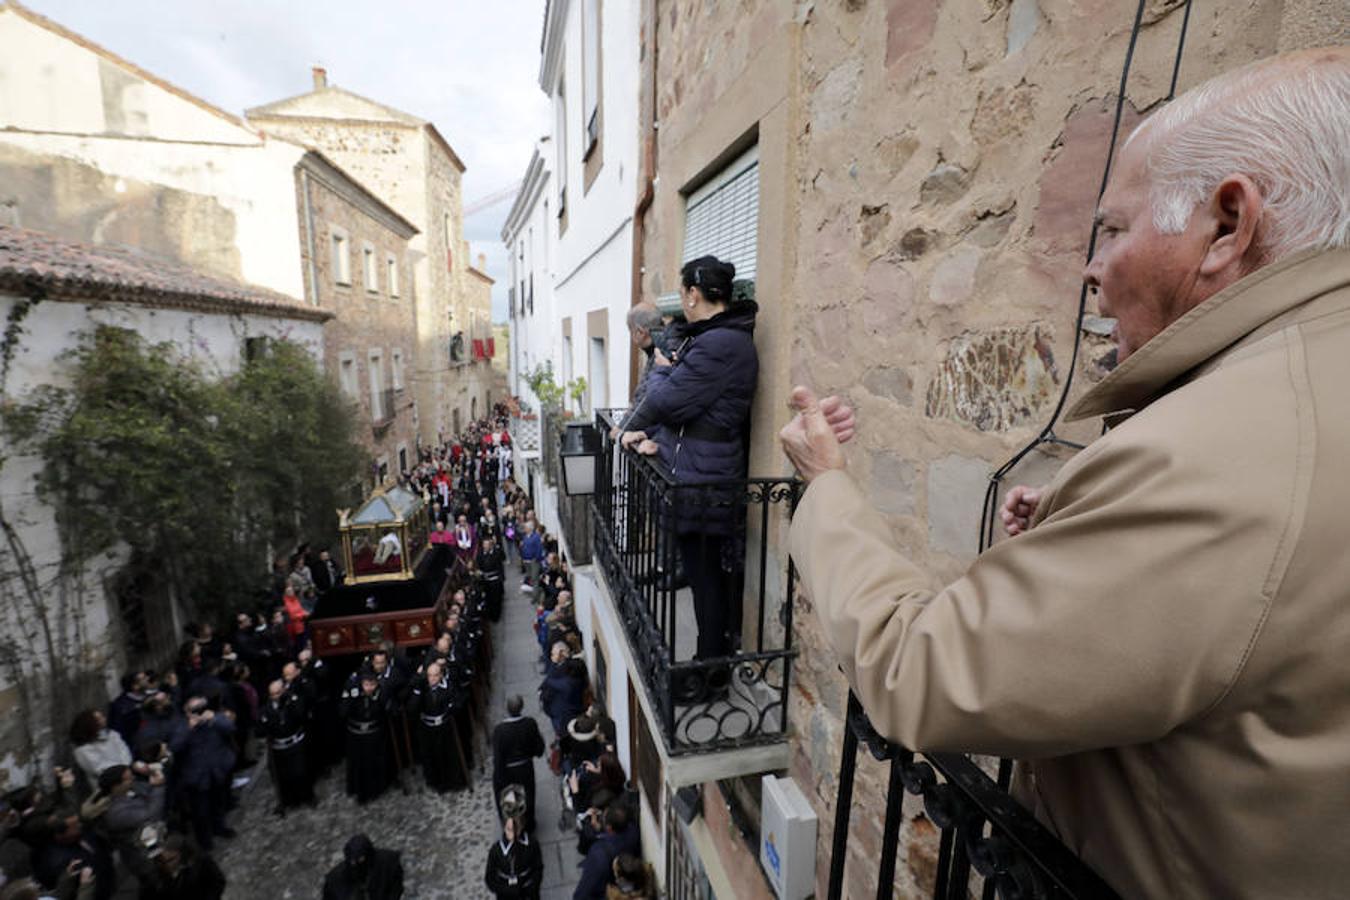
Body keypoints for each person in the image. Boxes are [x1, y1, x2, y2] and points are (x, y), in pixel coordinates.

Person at [777, 48, 1350, 900]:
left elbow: (916, 670)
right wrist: (1087, 527)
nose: (1090, 266)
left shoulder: (1213, 456)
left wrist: (825, 480)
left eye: (1114, 230)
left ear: (1230, 225)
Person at [619, 255, 757, 700]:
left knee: (706, 581)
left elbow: (670, 400)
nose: (682, 303)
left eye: (682, 295)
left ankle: (711, 672)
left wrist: (661, 371)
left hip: (705, 481)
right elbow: (686, 409)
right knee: (703, 579)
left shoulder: (720, 344)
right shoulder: (716, 339)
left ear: (693, 295)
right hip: (699, 471)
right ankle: (709, 663)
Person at [407, 661, 467, 793]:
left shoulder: (448, 687)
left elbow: (457, 701)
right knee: (432, 755)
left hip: (445, 725)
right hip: (428, 728)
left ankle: (453, 781)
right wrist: (417, 691)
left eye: (435, 675)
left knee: (448, 754)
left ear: (440, 675)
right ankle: (436, 782)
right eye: (429, 676)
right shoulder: (422, 689)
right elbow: (412, 709)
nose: (432, 679)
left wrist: (452, 708)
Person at [256, 679, 314, 815]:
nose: (275, 696)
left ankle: (308, 797)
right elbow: (259, 730)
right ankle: (290, 800)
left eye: (277, 693)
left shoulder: (292, 701)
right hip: (279, 748)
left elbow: (301, 714)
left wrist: (289, 701)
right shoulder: (266, 709)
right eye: (272, 694)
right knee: (284, 776)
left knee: (301, 772)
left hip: (295, 743)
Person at [490, 696, 545, 834]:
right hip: (525, 768)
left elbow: (498, 757)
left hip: (507, 771)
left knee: (508, 798)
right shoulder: (529, 723)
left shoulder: (500, 730)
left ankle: (511, 825)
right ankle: (528, 824)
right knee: (528, 795)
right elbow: (538, 748)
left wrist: (499, 776)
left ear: (507, 709)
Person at [341, 671, 392, 804]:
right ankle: (359, 791)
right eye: (366, 684)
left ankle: (375, 789)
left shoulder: (380, 694)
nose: (369, 688)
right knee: (358, 764)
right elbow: (342, 712)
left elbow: (386, 711)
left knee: (374, 763)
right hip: (356, 736)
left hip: (374, 735)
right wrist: (351, 698)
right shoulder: (353, 694)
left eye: (372, 684)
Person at [573, 806, 637, 900]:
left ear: (609, 828)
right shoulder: (633, 831)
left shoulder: (600, 853)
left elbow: (582, 893)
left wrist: (590, 829)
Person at [138, 834, 226, 900]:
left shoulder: (201, 863)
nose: (167, 865)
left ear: (182, 853)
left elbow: (218, 882)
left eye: (171, 859)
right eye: (162, 861)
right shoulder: (154, 878)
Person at [483, 806, 543, 900]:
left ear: (522, 825)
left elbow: (538, 868)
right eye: (509, 830)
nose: (513, 834)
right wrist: (506, 890)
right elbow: (489, 879)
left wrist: (532, 887)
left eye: (517, 828)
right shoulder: (496, 851)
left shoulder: (532, 844)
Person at [321, 833, 403, 900]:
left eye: (360, 859)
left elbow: (396, 886)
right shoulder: (335, 879)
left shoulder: (387, 863)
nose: (356, 864)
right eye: (353, 861)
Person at [68, 711, 131, 793]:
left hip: (126, 776)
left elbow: (124, 751)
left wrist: (125, 766)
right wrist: (121, 770)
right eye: (98, 719)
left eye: (102, 717)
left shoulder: (112, 734)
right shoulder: (83, 750)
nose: (103, 719)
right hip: (107, 787)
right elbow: (99, 768)